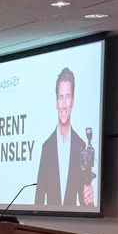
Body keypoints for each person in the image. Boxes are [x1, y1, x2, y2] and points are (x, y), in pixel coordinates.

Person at [35, 67, 94, 208]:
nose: (63, 105)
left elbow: (85, 202)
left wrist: (90, 200)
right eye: (61, 97)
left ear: (73, 101)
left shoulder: (81, 145)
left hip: (72, 225)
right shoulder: (46, 147)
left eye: (67, 97)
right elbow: (39, 198)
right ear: (56, 101)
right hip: (46, 225)